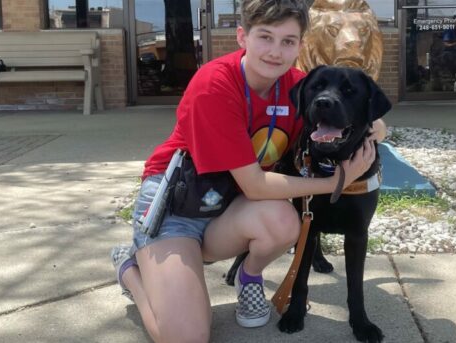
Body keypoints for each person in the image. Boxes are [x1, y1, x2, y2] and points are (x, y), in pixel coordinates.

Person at [110, 1, 387, 342]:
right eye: (265, 37)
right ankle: (130, 270)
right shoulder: (215, 85)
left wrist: (378, 128)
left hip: (230, 204)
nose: (275, 51)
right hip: (179, 203)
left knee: (285, 219)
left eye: (287, 41)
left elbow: (366, 112)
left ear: (300, 46)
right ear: (242, 37)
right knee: (186, 338)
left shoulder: (300, 85)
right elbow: (256, 185)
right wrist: (336, 180)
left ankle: (249, 275)